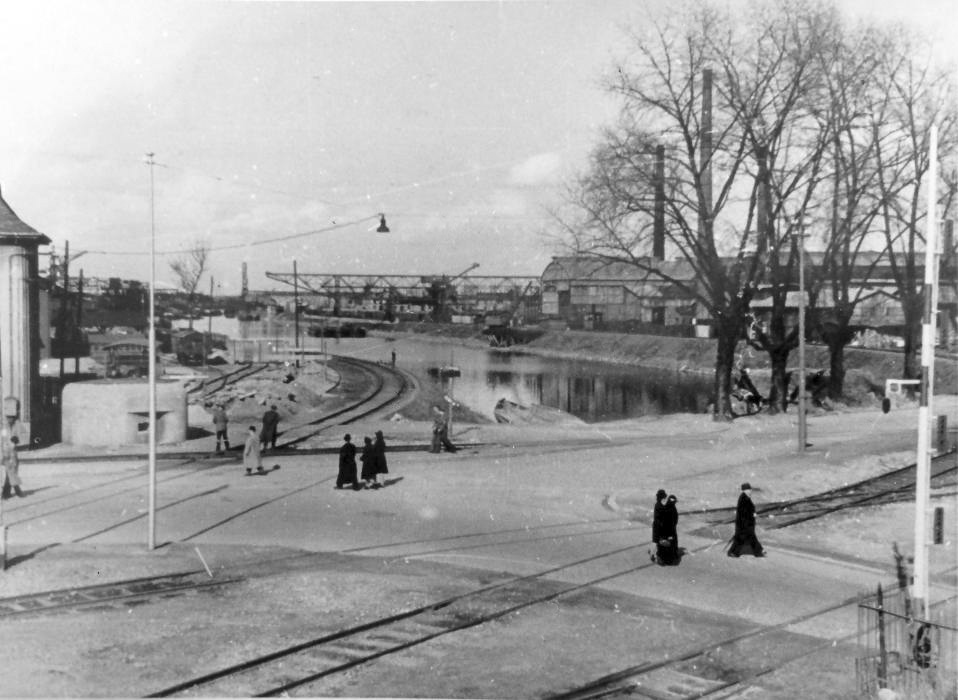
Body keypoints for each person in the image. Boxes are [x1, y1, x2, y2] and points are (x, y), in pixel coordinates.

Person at [727, 482, 765, 557]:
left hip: (745, 523)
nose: (750, 491)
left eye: (750, 490)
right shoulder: (744, 499)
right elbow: (744, 512)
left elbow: (748, 510)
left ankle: (758, 552)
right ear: (744, 491)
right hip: (744, 524)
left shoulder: (745, 498)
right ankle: (758, 552)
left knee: (746, 538)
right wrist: (752, 514)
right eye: (748, 490)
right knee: (744, 538)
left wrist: (752, 513)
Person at [1, 415, 24, 499]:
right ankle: (11, 492)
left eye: (12, 418)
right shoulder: (4, 428)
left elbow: (19, 437)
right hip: (6, 453)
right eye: (9, 418)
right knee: (10, 473)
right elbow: (2, 439)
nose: (10, 419)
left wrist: (16, 440)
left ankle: (9, 493)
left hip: (13, 453)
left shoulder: (16, 426)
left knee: (12, 472)